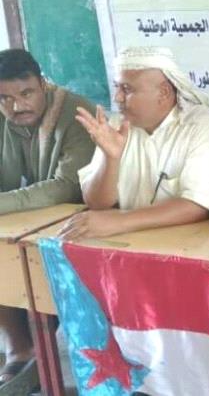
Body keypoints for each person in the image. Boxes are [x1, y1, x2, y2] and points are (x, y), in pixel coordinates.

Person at [59, 46, 209, 240]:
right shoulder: (118, 125)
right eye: (117, 87)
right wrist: (111, 159)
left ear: (164, 92)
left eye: (127, 89)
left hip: (187, 245)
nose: (117, 97)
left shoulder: (203, 127)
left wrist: (120, 221)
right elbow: (96, 203)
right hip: (131, 242)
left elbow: (196, 206)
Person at [0, 48, 96, 391]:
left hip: (82, 217)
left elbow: (68, 187)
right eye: (5, 99)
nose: (16, 106)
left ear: (43, 84)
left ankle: (48, 353)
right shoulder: (3, 116)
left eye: (26, 94)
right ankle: (19, 348)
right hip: (28, 217)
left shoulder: (76, 112)